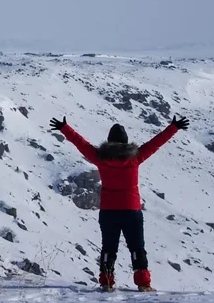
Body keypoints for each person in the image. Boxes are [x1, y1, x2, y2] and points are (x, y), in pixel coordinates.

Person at [50, 114, 189, 292]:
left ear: (108, 141)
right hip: (131, 210)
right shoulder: (135, 157)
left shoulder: (100, 157)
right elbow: (156, 143)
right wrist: (173, 127)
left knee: (109, 248)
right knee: (137, 247)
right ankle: (143, 284)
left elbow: (81, 144)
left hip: (108, 211)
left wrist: (64, 128)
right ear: (126, 142)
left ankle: (107, 282)